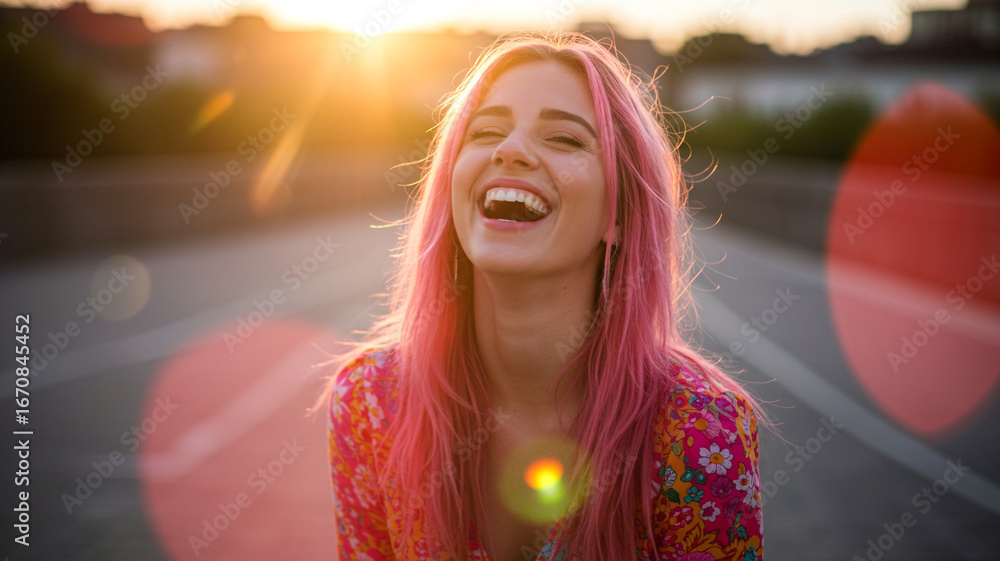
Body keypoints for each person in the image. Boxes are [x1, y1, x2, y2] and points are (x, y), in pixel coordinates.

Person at [327, 32, 764, 561]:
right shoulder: (370, 401)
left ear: (619, 214)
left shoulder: (701, 428)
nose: (510, 150)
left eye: (564, 139)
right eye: (486, 131)